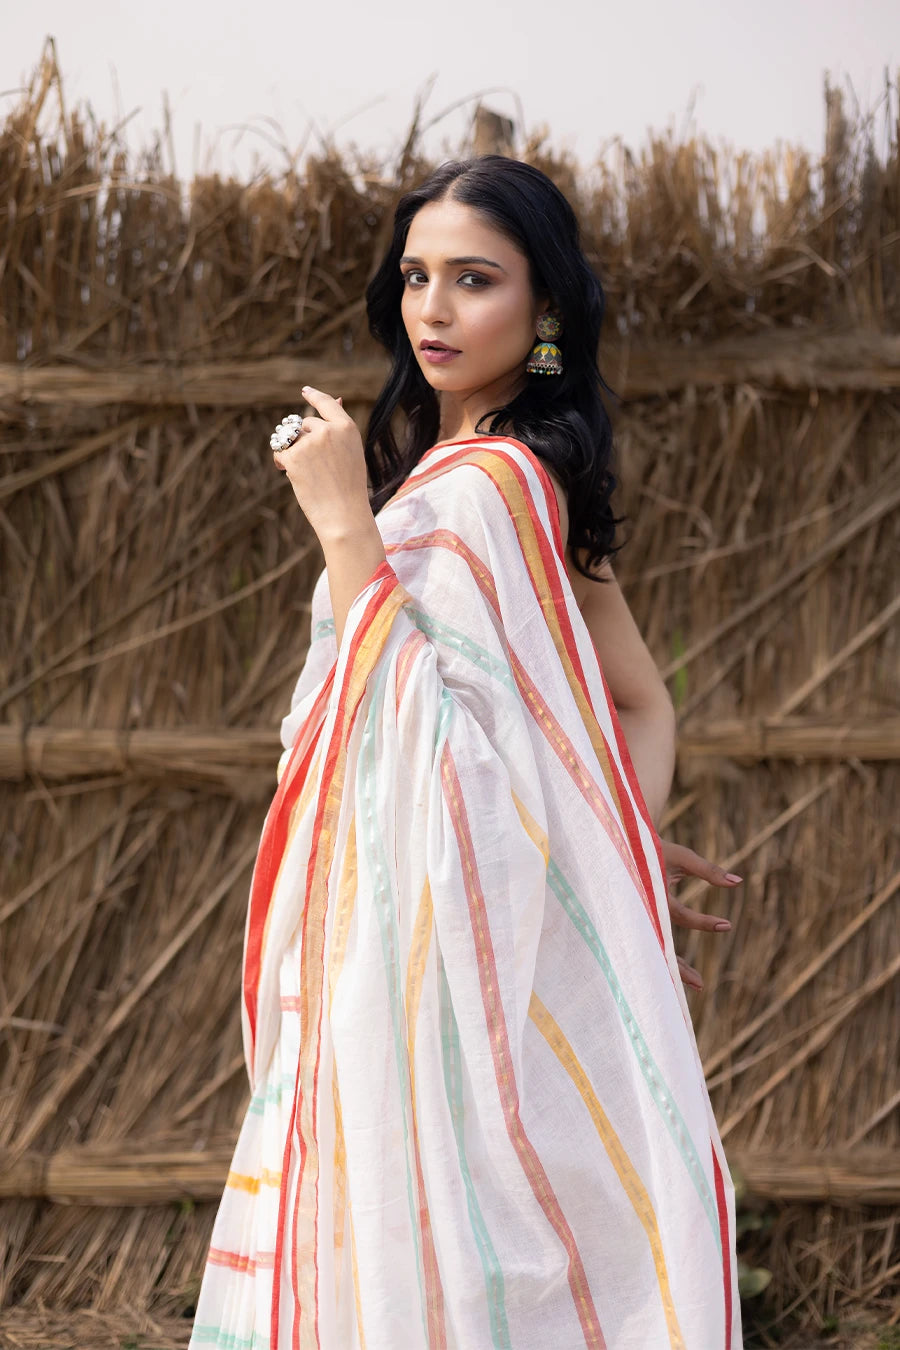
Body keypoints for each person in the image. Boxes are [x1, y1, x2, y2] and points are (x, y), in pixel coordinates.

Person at [188, 156, 743, 1350]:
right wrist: (607, 848)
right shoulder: (506, 479)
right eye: (415, 277)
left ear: (545, 312)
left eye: (474, 280)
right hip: (405, 934)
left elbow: (437, 745)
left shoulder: (494, 487)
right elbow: (638, 707)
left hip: (430, 955)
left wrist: (342, 520)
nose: (431, 309)